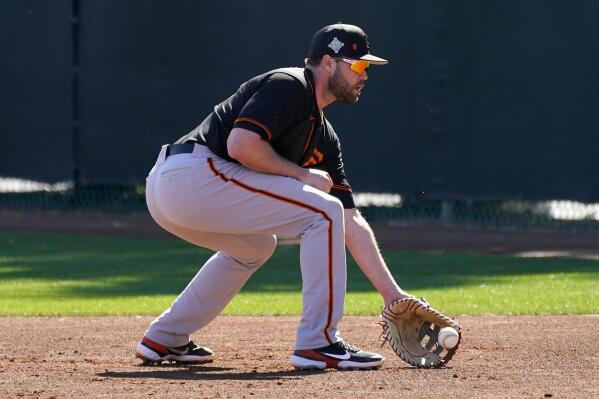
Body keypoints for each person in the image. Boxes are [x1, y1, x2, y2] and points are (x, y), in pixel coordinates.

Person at [135, 22, 410, 371]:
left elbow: (351, 221)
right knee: (322, 212)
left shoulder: (324, 138)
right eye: (357, 65)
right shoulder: (291, 85)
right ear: (328, 62)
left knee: (256, 245)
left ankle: (165, 337)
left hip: (178, 190)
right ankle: (318, 342)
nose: (365, 74)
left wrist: (393, 296)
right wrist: (300, 174)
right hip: (192, 175)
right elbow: (240, 144)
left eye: (366, 67)